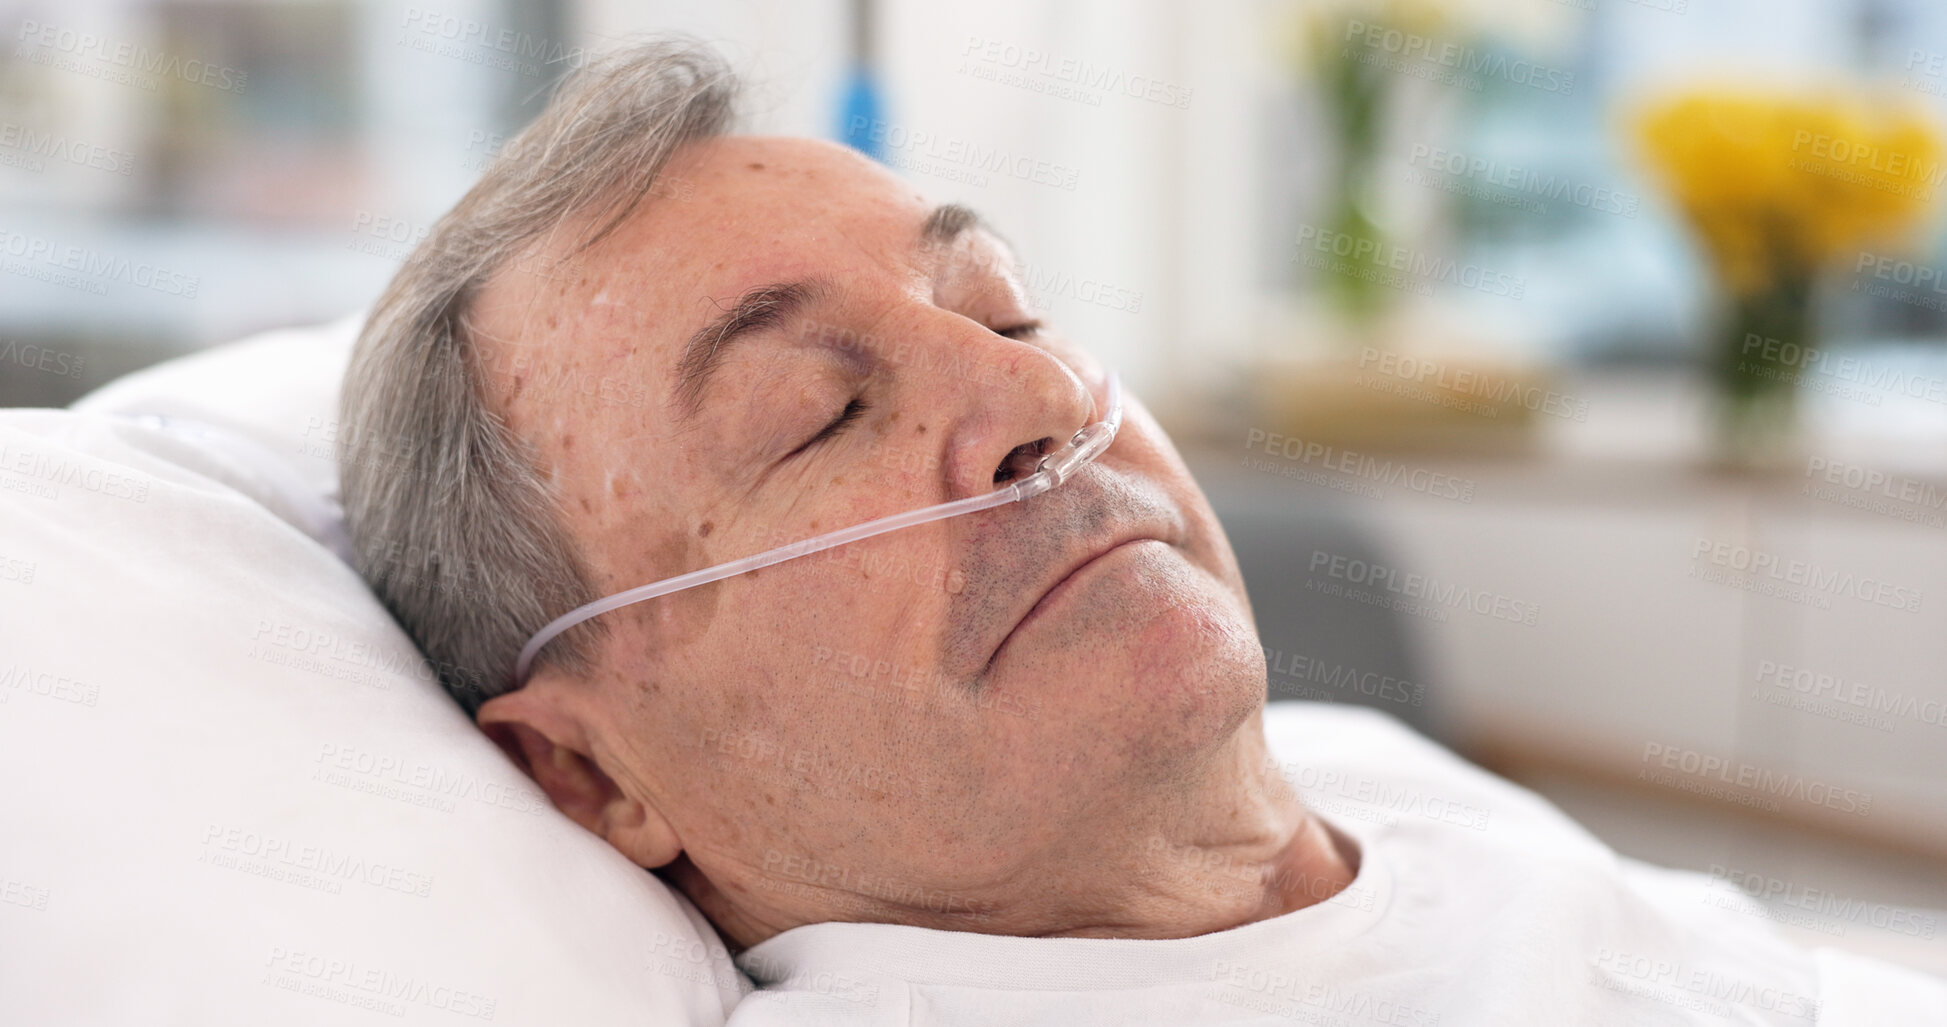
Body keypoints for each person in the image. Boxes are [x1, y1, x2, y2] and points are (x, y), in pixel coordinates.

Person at [337, 37, 1947, 1024]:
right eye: (814, 416)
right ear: (594, 774)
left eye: (1011, 312)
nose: (1026, 399)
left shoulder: (1360, 772)